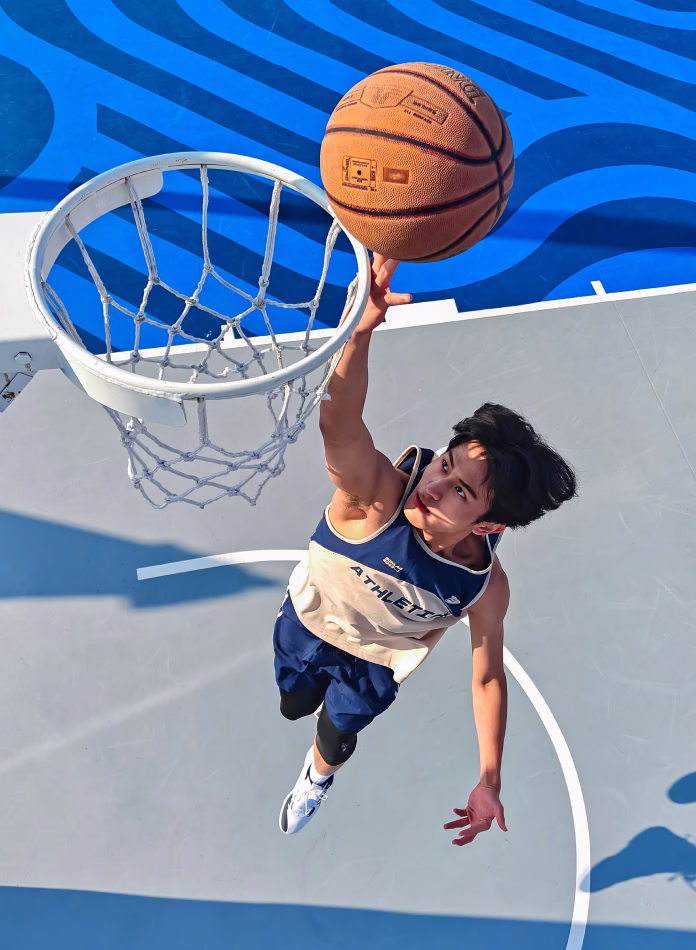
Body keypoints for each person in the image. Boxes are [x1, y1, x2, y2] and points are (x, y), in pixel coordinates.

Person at [274, 255, 577, 843]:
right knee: (293, 706)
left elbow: (487, 677)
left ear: (489, 525)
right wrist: (359, 333)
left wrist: (489, 778)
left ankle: (316, 777)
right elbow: (340, 427)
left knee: (336, 733)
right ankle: (307, 704)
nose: (433, 486)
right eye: (444, 464)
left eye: (460, 491)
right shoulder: (374, 499)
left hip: (377, 660)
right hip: (311, 620)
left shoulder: (483, 587)